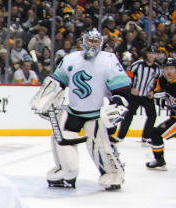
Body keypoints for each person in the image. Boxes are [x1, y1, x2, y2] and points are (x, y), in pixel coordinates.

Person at [30, 29, 131, 190]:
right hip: (72, 112)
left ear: (101, 44)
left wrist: (118, 105)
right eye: (90, 41)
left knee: (100, 148)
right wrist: (44, 97)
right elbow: (57, 81)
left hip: (96, 114)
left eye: (96, 42)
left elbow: (122, 89)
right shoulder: (70, 59)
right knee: (64, 147)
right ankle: (67, 173)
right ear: (83, 41)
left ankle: (113, 173)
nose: (93, 44)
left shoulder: (109, 60)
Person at [145, 57, 176, 170]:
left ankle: (159, 160)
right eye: (166, 68)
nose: (169, 71)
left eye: (171, 68)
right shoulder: (162, 80)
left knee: (155, 133)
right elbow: (157, 93)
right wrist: (157, 96)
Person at [114, 48, 160, 143]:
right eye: (150, 53)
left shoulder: (157, 68)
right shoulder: (137, 64)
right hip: (135, 96)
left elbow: (156, 82)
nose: (151, 55)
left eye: (153, 53)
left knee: (152, 115)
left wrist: (153, 92)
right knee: (128, 115)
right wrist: (131, 88)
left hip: (147, 96)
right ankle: (120, 136)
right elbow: (127, 76)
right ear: (146, 54)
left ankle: (146, 136)